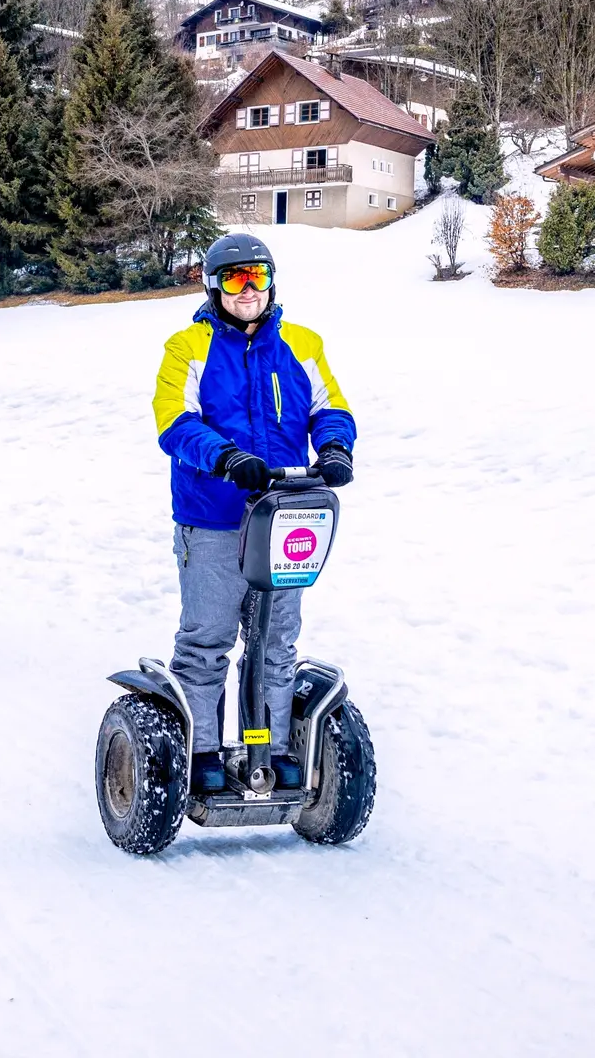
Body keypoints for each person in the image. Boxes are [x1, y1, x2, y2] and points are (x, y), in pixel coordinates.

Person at [152, 233, 356, 794]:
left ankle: (275, 749)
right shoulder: (187, 346)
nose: (248, 290)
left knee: (276, 638)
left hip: (285, 515)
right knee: (208, 638)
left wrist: (335, 447)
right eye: (236, 279)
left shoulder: (302, 342)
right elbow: (174, 422)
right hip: (213, 514)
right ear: (214, 285)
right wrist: (226, 457)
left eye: (258, 278)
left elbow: (329, 405)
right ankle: (203, 753)